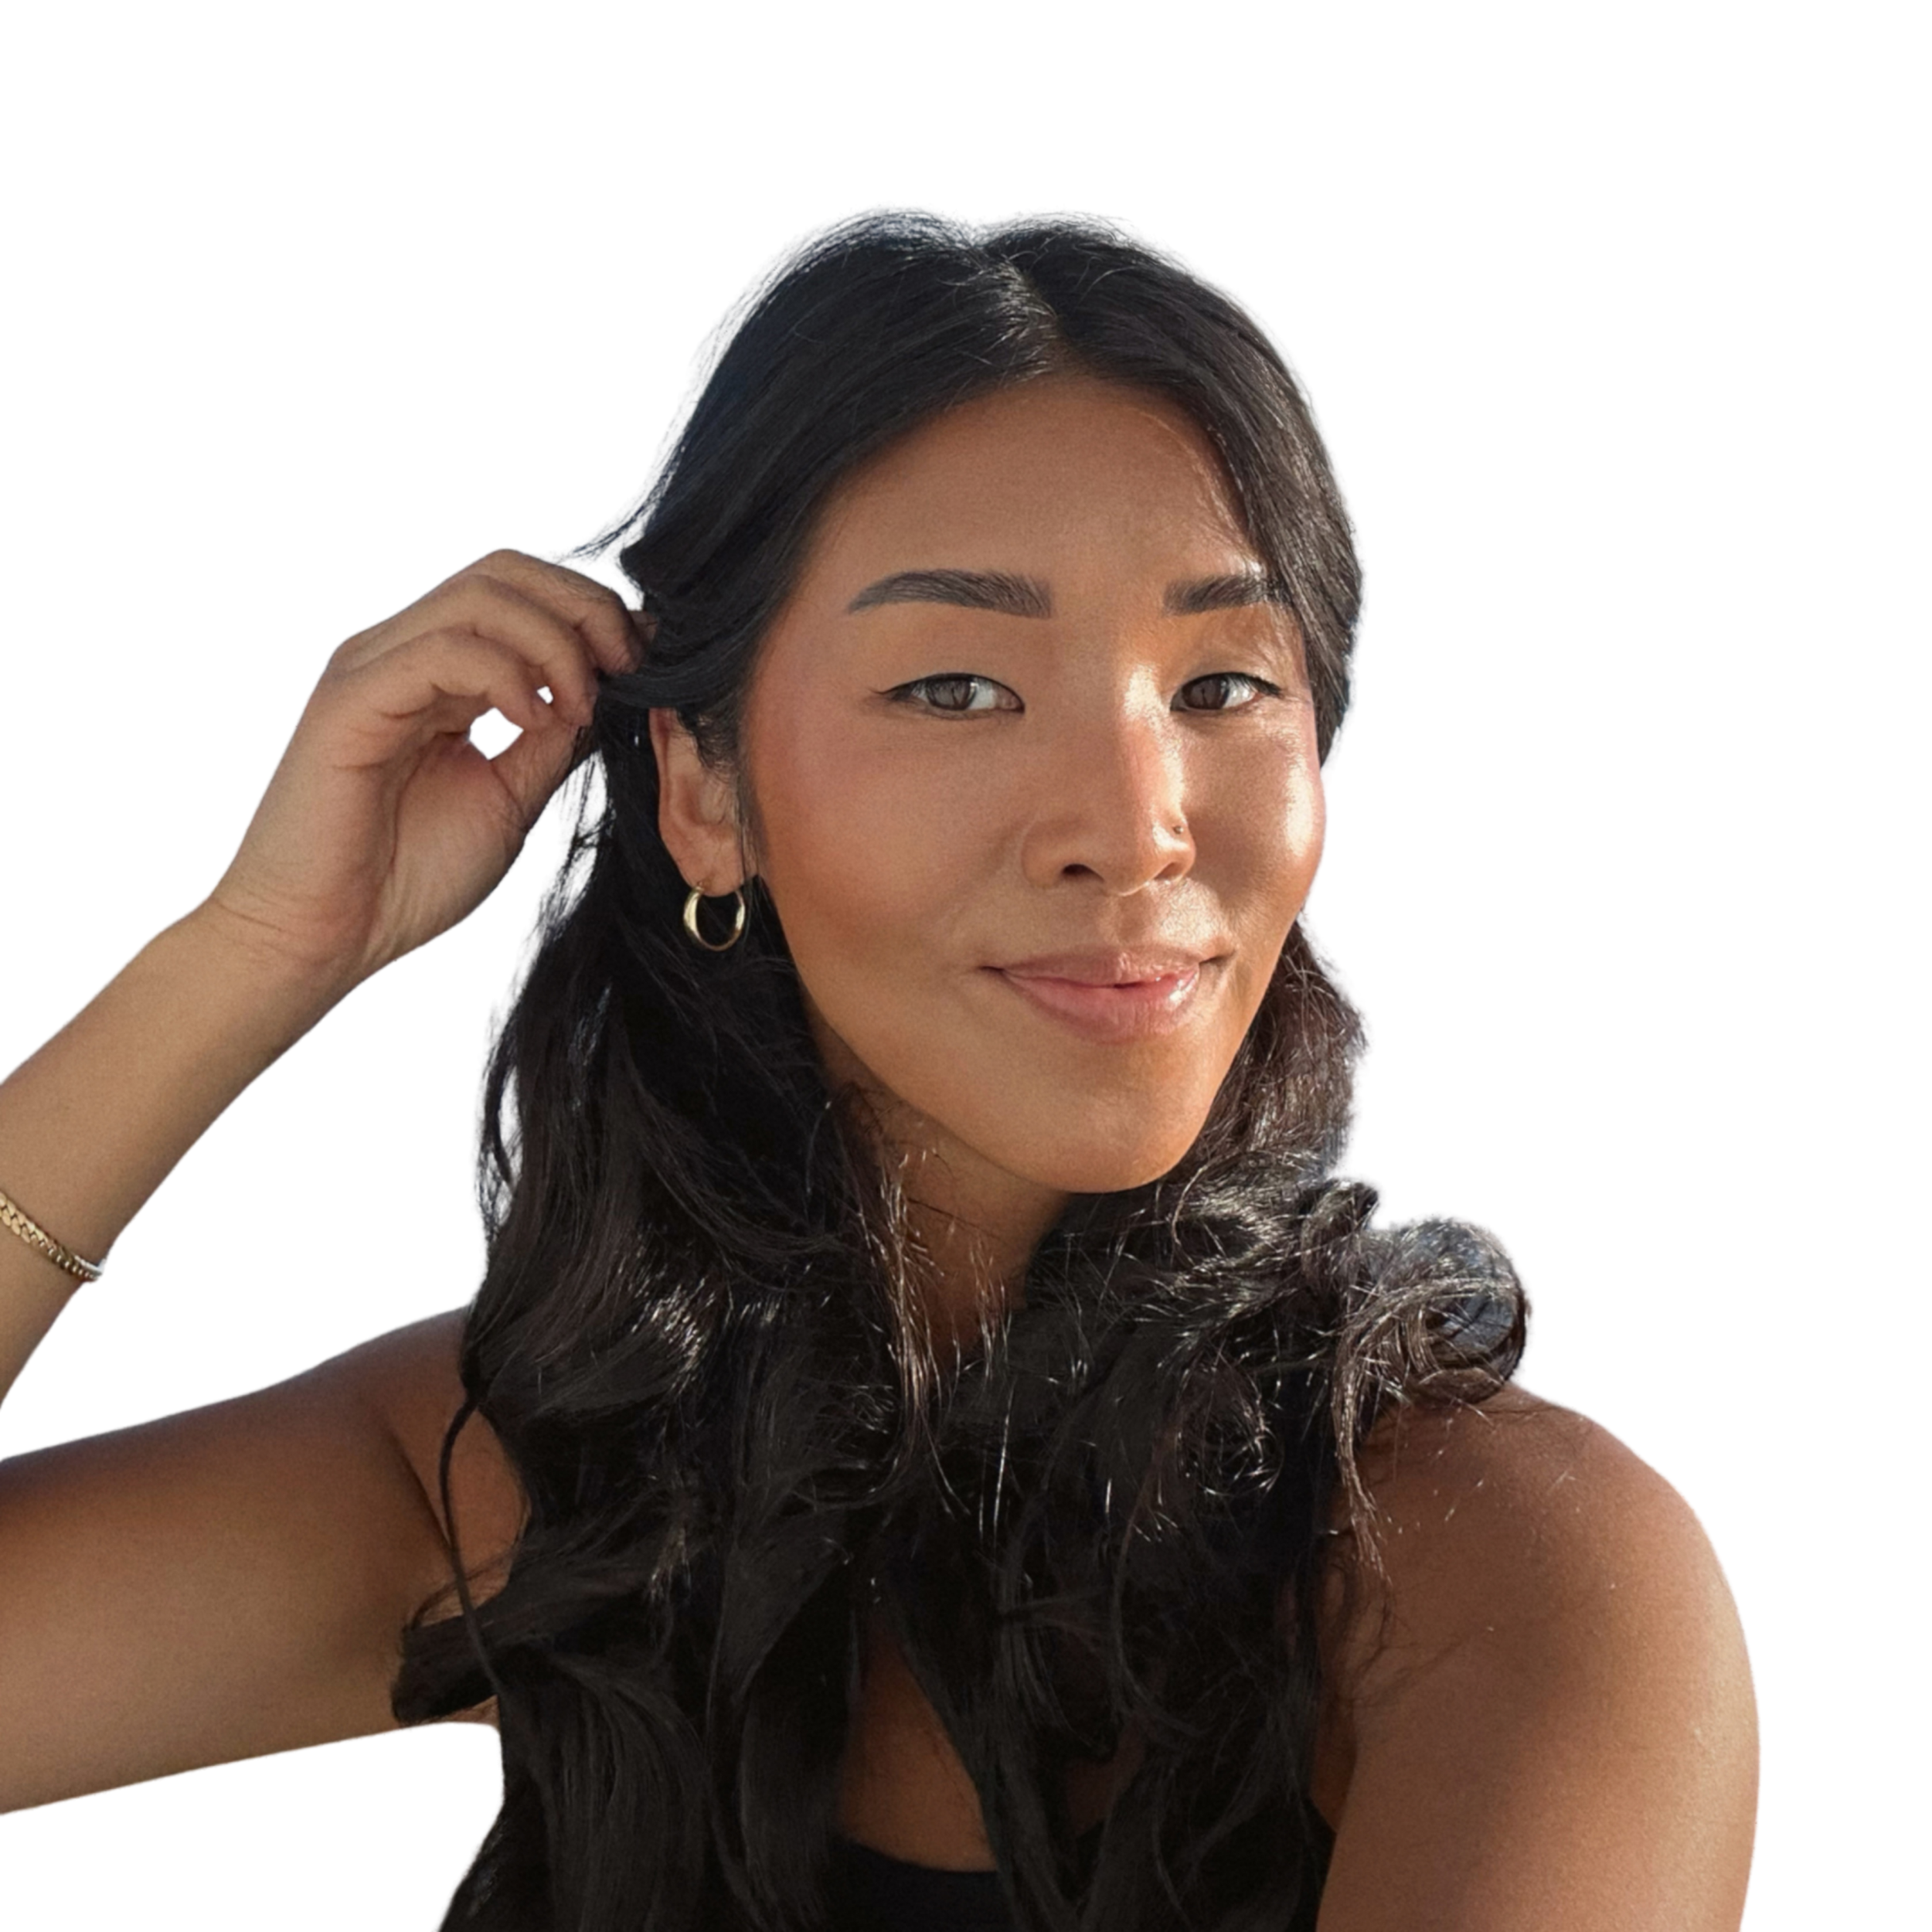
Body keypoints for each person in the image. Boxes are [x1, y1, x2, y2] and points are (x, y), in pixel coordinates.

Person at [0, 212, 1757, 1930]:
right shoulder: (533, 1477)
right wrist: (249, 954)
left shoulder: (1497, 1573)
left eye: (1221, 683)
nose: (1132, 827)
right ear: (700, 786)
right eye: (958, 690)